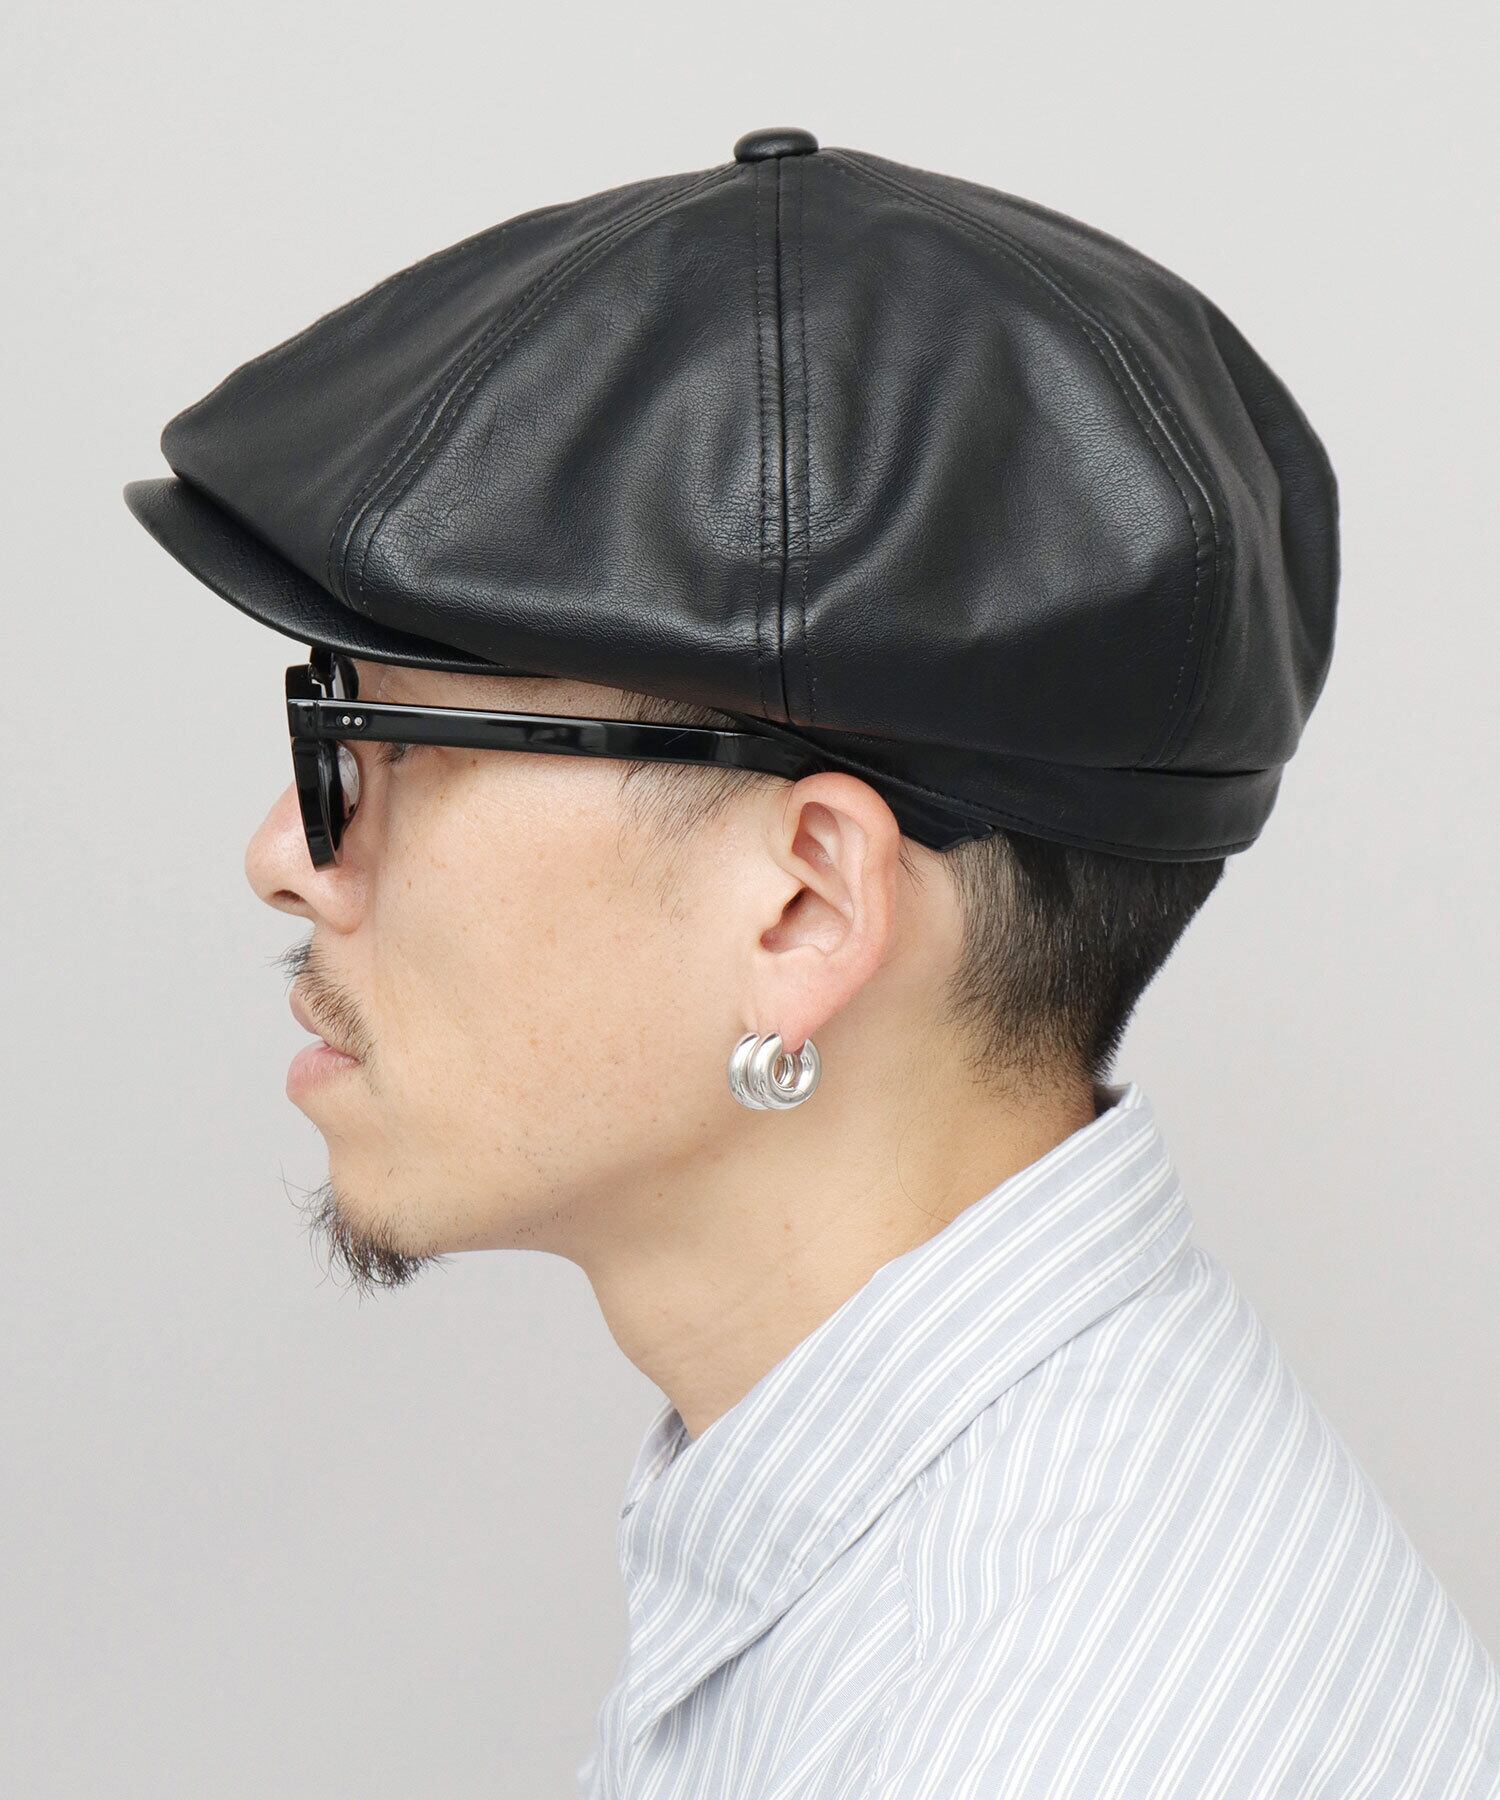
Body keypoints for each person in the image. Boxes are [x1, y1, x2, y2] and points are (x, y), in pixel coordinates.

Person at [124, 127, 1500, 1796]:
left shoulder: (1035, 1734)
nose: (288, 853)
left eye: (381, 739)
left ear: (804, 910)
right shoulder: (920, 1530)